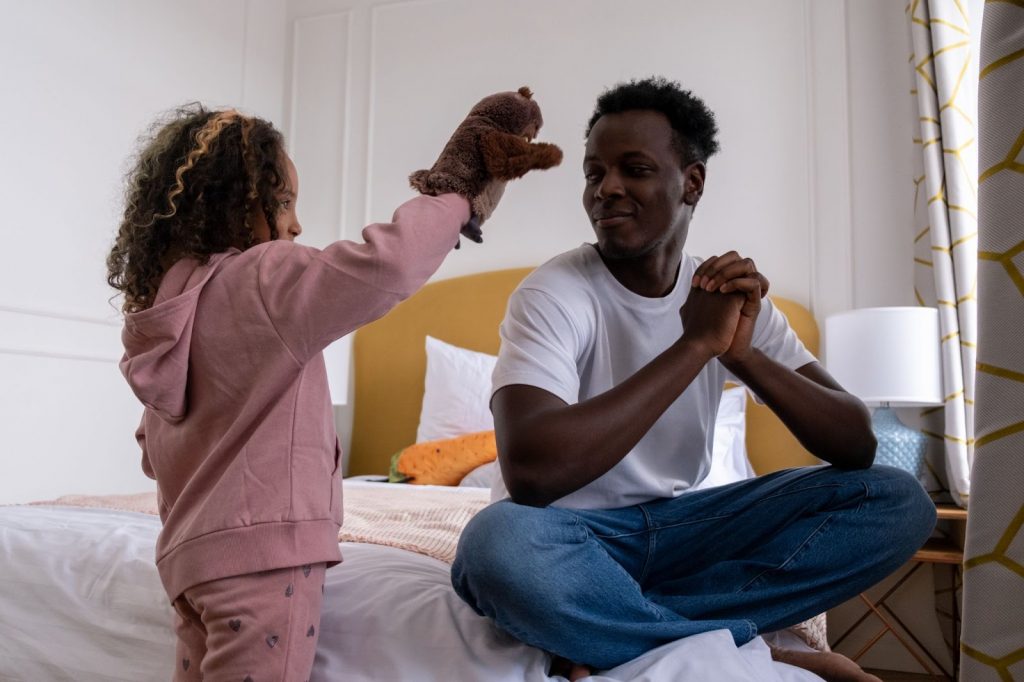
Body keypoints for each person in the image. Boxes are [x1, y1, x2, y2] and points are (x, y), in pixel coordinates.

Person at [451, 77, 937, 682]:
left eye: (635, 169)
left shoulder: (724, 296)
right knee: (495, 546)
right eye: (593, 172)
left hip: (689, 530)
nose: (607, 189)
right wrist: (694, 345)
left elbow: (855, 443)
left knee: (895, 498)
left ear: (693, 181)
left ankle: (623, 632)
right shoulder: (554, 292)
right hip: (567, 535)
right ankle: (752, 649)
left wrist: (742, 356)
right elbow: (531, 475)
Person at [106, 102, 503, 681]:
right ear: (237, 206)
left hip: (187, 563)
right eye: (285, 202)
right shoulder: (265, 279)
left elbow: (153, 452)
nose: (295, 225)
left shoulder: (163, 313)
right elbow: (387, 266)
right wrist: (457, 195)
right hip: (265, 561)